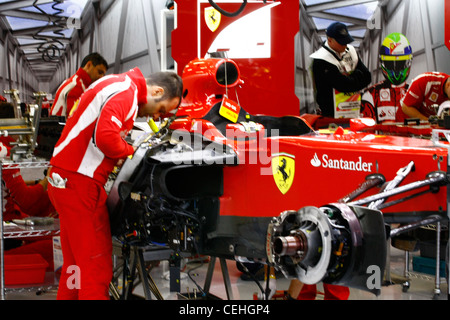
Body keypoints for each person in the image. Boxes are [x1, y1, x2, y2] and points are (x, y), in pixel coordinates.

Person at [47, 68, 183, 300]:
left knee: (75, 270)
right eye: (161, 110)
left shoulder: (113, 82)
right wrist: (133, 151)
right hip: (80, 184)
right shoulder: (127, 92)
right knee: (95, 271)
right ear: (157, 91)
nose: (156, 118)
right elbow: (106, 137)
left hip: (63, 181)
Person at [310, 22, 372, 120]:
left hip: (353, 111)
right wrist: (357, 74)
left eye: (346, 41)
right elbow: (343, 85)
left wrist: (350, 79)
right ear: (330, 40)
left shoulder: (350, 51)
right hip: (331, 116)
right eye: (341, 42)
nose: (345, 45)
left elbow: (367, 77)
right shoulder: (321, 60)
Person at [361, 33, 413, 123]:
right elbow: (366, 131)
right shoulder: (371, 95)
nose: (396, 69)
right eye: (390, 64)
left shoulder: (416, 93)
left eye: (400, 64)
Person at [50, 52, 108, 118]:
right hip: (61, 127)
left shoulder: (73, 81)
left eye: (103, 75)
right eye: (100, 72)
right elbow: (75, 119)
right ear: (89, 65)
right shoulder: (77, 86)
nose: (101, 77)